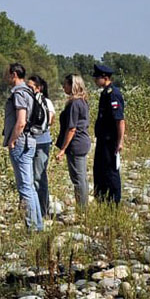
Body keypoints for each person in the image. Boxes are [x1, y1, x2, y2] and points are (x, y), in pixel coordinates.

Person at [3, 63, 43, 232]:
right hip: (30, 140)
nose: (6, 77)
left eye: (8, 74)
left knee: (25, 187)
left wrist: (12, 140)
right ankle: (37, 225)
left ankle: (32, 227)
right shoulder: (29, 92)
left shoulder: (19, 93)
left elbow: (21, 121)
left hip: (21, 141)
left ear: (13, 74)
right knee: (30, 186)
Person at [55, 73, 92, 209]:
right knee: (81, 177)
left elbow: (71, 128)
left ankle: (82, 209)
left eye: (65, 84)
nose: (63, 86)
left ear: (72, 85)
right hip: (82, 141)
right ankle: (84, 207)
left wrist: (63, 149)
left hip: (76, 143)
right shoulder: (82, 101)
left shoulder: (75, 104)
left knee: (78, 178)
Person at [92, 63, 126, 203]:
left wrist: (120, 141)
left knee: (110, 171)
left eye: (97, 77)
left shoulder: (113, 94)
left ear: (104, 77)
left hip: (110, 140)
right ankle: (102, 199)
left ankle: (114, 202)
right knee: (100, 170)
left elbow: (120, 120)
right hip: (102, 139)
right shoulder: (105, 93)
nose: (95, 80)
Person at [27, 75, 55, 217]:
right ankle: (34, 209)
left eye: (31, 86)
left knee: (39, 176)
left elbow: (50, 121)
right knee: (30, 177)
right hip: (33, 141)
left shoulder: (45, 102)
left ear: (39, 88)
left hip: (40, 142)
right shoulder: (30, 100)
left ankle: (43, 210)